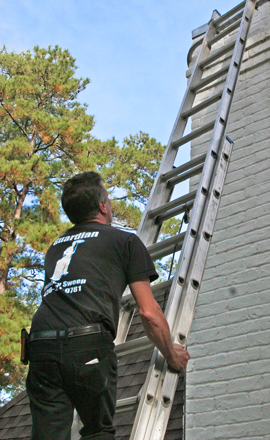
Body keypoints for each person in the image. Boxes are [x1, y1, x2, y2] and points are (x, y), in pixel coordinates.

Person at [26, 171, 190, 440]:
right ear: (102, 206)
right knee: (97, 431)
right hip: (86, 344)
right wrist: (171, 355)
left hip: (40, 345)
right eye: (109, 200)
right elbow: (148, 313)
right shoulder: (124, 241)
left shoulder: (55, 247)